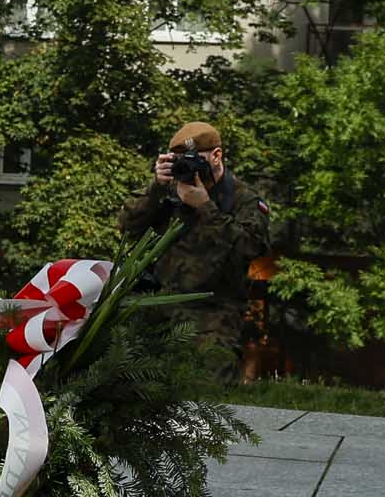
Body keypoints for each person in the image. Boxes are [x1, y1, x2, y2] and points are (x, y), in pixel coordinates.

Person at [114, 120, 271, 377]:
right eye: (178, 160)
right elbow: (127, 227)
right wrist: (156, 188)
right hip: (158, 302)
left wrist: (206, 207)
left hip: (212, 311)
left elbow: (251, 249)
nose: (186, 167)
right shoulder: (169, 191)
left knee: (206, 382)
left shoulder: (243, 199)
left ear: (216, 156)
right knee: (120, 371)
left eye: (193, 159)